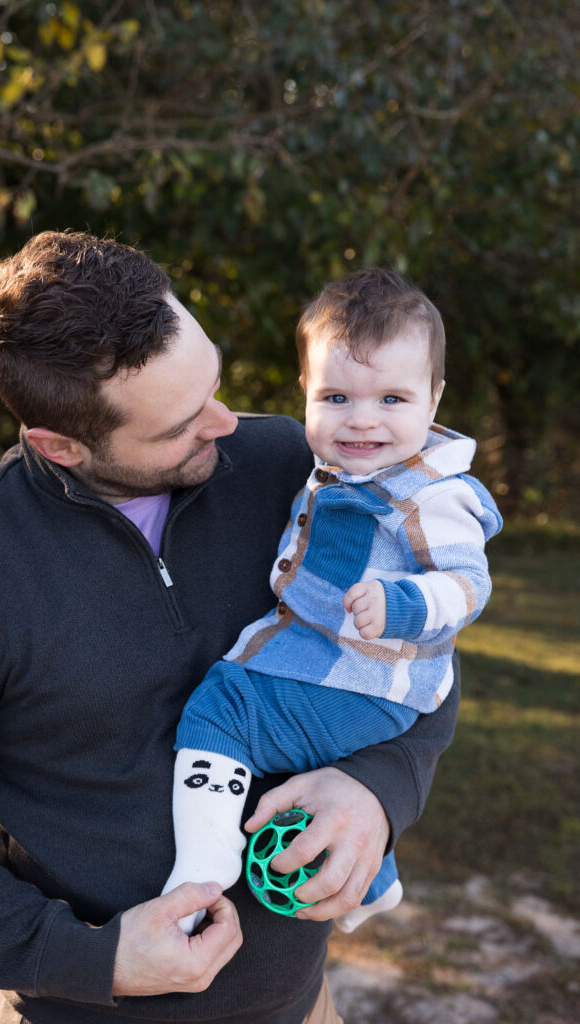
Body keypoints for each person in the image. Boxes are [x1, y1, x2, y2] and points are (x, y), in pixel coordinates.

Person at [0, 232, 462, 1024]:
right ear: (60, 445)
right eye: (179, 424)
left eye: (214, 384)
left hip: (301, 1007)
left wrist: (380, 791)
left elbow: (421, 645)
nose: (224, 422)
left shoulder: (297, 465)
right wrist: (89, 958)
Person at [162, 269, 502, 935]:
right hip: (324, 661)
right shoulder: (334, 468)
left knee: (223, 708)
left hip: (365, 679)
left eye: (393, 399)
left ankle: (202, 869)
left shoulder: (430, 495)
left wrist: (401, 604)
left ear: (433, 398)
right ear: (306, 394)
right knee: (309, 761)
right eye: (337, 396)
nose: (362, 420)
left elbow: (468, 584)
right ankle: (372, 881)